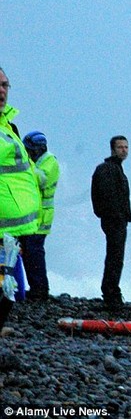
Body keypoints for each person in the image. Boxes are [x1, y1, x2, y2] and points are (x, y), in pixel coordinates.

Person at [0, 67, 41, 328]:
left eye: (5, 85)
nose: (2, 90)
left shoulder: (8, 126)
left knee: (10, 293)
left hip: (11, 231)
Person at [91, 135, 131, 310]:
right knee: (115, 257)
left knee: (115, 257)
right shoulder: (108, 169)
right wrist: (115, 216)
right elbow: (104, 196)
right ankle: (111, 292)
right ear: (113, 149)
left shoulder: (116, 168)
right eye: (120, 147)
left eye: (126, 147)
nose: (124, 150)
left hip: (117, 219)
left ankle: (111, 291)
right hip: (114, 220)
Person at [18, 131, 59, 301]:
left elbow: (39, 180)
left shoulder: (50, 163)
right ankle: (34, 288)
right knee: (28, 253)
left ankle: (40, 290)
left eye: (29, 151)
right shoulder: (39, 161)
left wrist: (25, 163)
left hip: (41, 219)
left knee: (35, 254)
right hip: (32, 218)